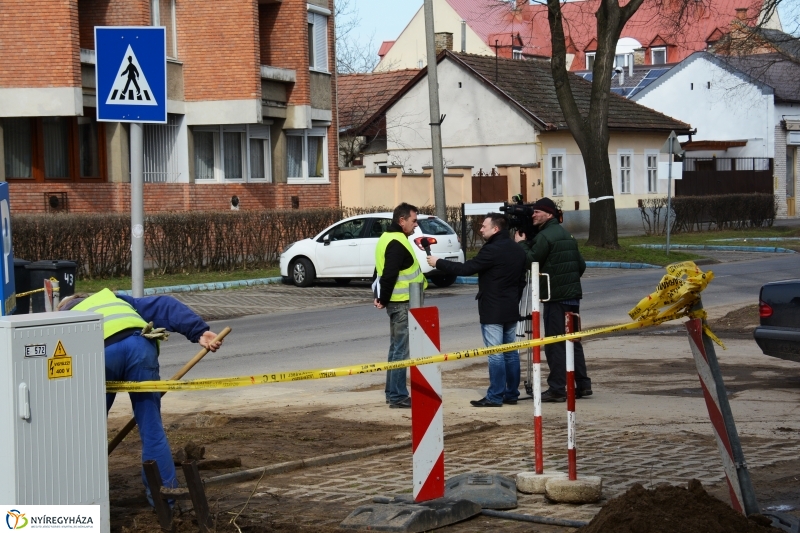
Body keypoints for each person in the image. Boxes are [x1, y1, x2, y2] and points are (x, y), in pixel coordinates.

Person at [58, 289, 222, 504]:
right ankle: (165, 502)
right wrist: (199, 331)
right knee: (152, 428)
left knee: (88, 432)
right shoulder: (112, 298)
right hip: (140, 346)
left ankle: (84, 501)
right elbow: (165, 305)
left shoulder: (63, 316)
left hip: (101, 352)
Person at [427, 213, 527, 407]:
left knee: (496, 354)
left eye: (484, 226)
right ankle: (511, 393)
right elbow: (521, 281)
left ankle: (495, 396)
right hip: (510, 307)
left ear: (496, 229)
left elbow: (467, 269)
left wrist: (438, 262)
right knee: (510, 352)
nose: (480, 229)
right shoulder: (517, 249)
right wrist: (513, 299)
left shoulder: (491, 250)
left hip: (492, 309)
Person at [515, 197, 591, 402]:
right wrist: (567, 282)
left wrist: (521, 244)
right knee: (572, 341)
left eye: (537, 212)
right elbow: (581, 265)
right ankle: (583, 384)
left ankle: (557, 388)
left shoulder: (545, 236)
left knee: (554, 343)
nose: (533, 215)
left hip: (555, 297)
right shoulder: (567, 235)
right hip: (572, 296)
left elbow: (531, 261)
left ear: (549, 214)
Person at [373, 203, 427, 409]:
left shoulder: (387, 238)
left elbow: (378, 271)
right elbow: (388, 274)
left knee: (396, 349)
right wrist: (383, 298)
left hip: (399, 303)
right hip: (402, 303)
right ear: (401, 220)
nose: (416, 224)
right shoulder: (396, 241)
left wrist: (379, 296)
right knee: (401, 352)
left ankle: (392, 393)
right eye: (414, 220)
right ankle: (397, 396)